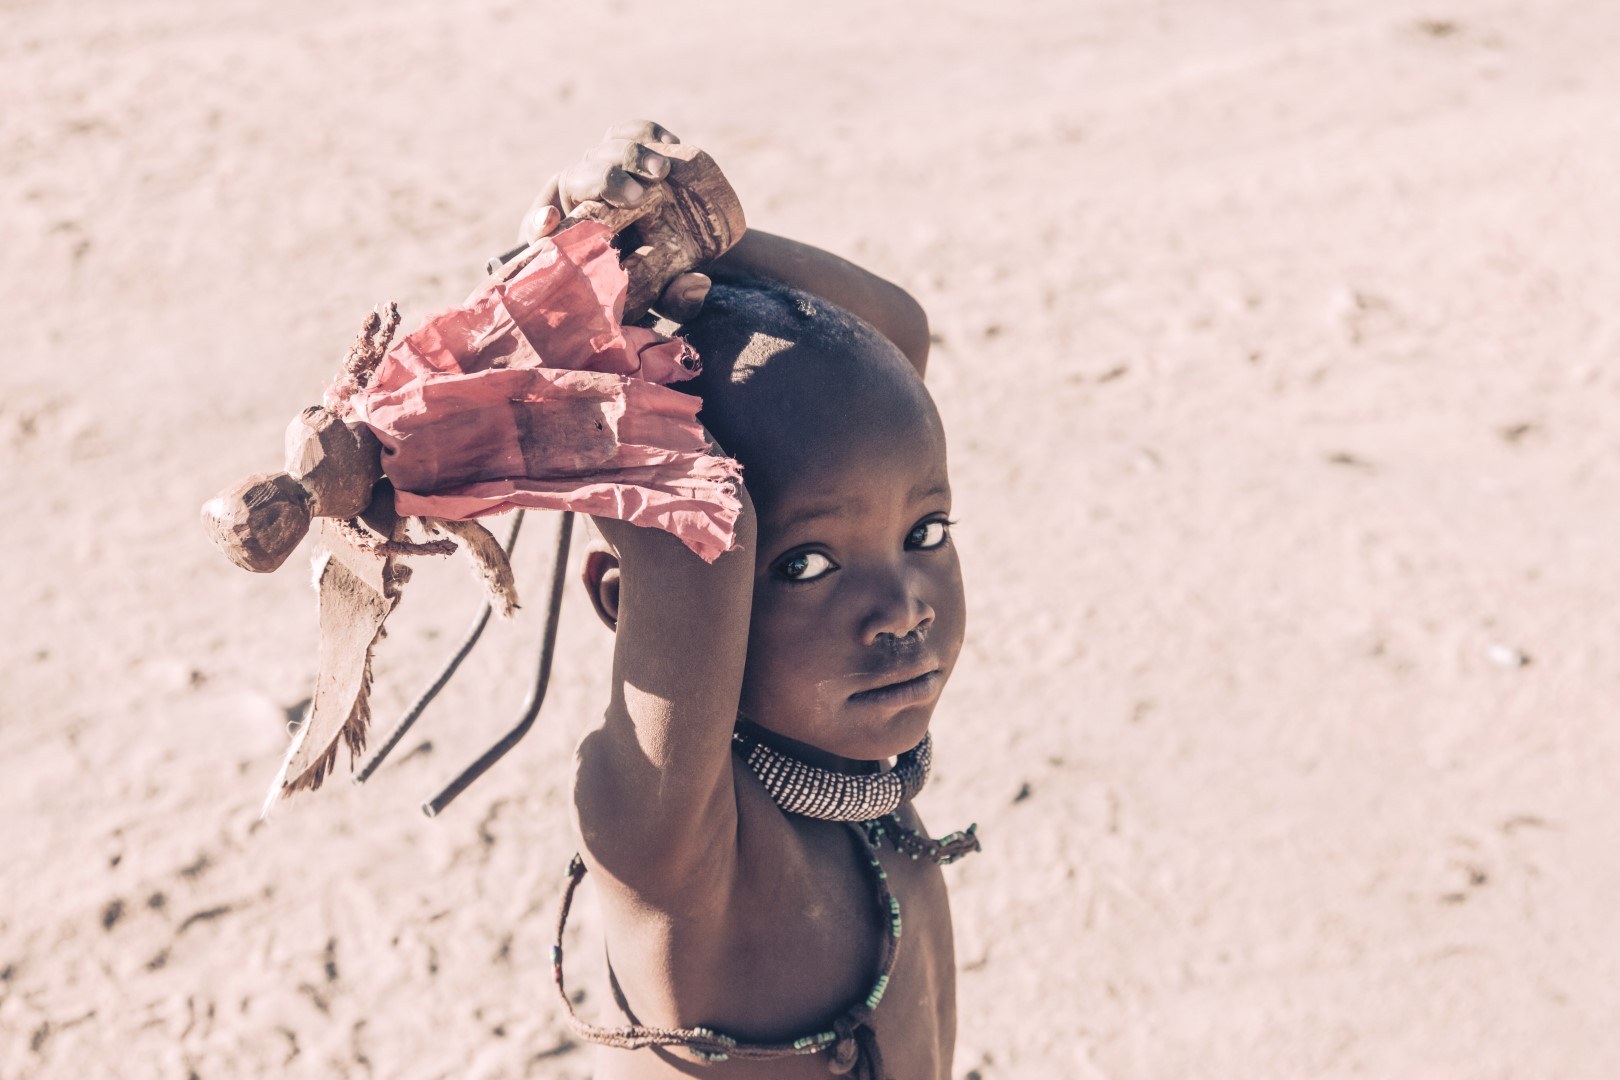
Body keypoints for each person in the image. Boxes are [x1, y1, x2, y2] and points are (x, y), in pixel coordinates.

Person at [525, 121, 979, 1080]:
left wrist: (703, 244)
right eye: (808, 566)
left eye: (925, 534)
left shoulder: (849, 766)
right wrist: (578, 282)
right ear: (625, 598)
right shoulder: (668, 844)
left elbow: (890, 348)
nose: (901, 608)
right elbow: (702, 542)